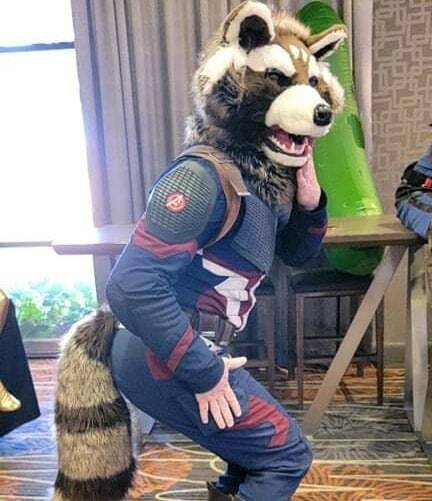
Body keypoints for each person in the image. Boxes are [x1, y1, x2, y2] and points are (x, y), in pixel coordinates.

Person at [53, 2, 347, 500]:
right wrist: (204, 373)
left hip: (193, 345)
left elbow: (296, 256)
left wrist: (310, 202)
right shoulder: (201, 176)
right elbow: (131, 285)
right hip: (159, 350)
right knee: (286, 455)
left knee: (249, 456)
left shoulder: (259, 180)